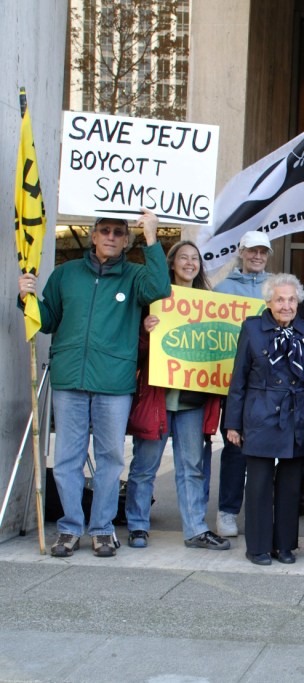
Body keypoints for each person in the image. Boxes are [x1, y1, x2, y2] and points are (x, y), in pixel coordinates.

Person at [17, 210, 170, 557]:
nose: (112, 237)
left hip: (113, 381)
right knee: (68, 457)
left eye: (119, 232)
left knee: (110, 458)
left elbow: (160, 288)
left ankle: (102, 528)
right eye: (105, 230)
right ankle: (69, 528)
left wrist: (151, 237)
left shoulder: (134, 276)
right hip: (70, 376)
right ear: (93, 235)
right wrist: (27, 298)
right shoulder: (65, 274)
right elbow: (47, 320)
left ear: (126, 239)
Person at [125, 241, 230, 550]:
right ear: (171, 263)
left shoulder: (210, 303)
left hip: (192, 402)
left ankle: (195, 529)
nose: (189, 263)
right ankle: (137, 525)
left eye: (194, 258)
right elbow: (137, 351)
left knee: (192, 467)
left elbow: (217, 351)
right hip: (157, 398)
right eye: (183, 257)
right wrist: (145, 331)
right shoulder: (154, 300)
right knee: (145, 465)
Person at [225, 273, 304, 565]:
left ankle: (285, 546)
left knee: (290, 486)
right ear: (268, 302)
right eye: (280, 299)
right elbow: (238, 379)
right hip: (261, 415)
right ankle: (259, 547)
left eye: (291, 299)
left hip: (296, 415)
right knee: (259, 485)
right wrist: (233, 424)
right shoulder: (251, 328)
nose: (286, 305)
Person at [213, 230, 274, 538]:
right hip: (234, 383)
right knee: (235, 448)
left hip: (267, 385)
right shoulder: (223, 288)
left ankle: (262, 510)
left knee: (267, 450)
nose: (257, 256)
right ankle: (227, 510)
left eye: (263, 252)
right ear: (241, 252)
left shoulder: (275, 287)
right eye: (252, 251)